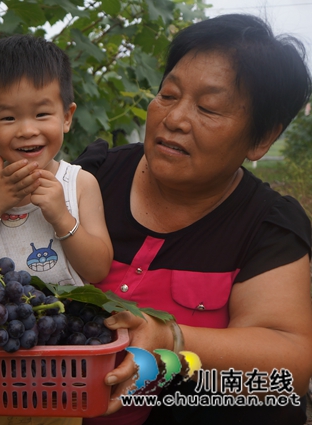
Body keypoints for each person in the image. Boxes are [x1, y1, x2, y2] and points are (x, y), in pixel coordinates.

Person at [72, 14, 312, 425]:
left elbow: (289, 362)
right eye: (168, 94)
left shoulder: (267, 226)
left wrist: (172, 339)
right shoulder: (87, 181)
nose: (175, 119)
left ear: (262, 138)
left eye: (208, 108)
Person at [0, 34, 113, 425]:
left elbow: (97, 268)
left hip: (59, 360)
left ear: (67, 117)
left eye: (42, 114)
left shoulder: (79, 184)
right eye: (8, 117)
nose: (27, 130)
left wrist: (61, 216)